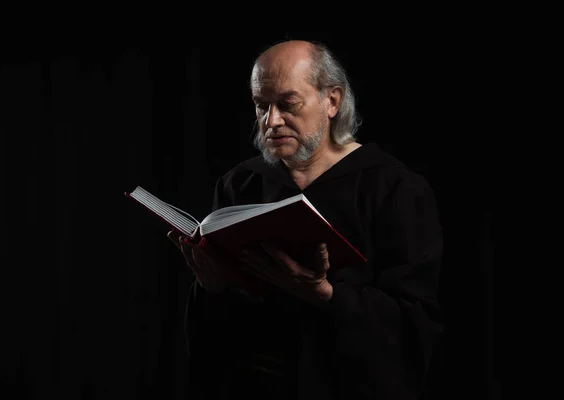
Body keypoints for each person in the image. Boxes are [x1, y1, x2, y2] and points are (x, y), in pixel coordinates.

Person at [167, 39, 443, 399]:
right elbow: (217, 339)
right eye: (260, 106)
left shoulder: (395, 188)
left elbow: (415, 324)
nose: (272, 120)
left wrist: (326, 295)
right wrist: (211, 289)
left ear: (332, 101)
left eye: (288, 104)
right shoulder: (240, 184)